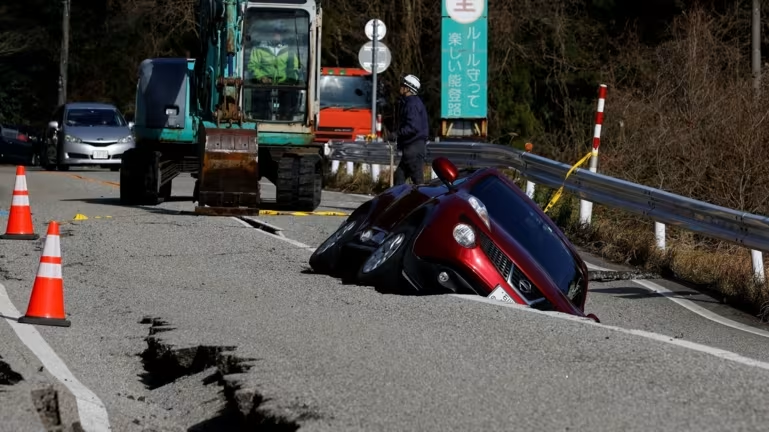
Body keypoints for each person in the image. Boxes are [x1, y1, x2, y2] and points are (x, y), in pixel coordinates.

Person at [247, 22, 301, 119]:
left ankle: (285, 118)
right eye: (274, 32)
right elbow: (252, 66)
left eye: (279, 32)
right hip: (264, 82)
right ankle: (261, 118)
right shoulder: (259, 49)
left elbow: (294, 67)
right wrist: (261, 77)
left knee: (289, 95)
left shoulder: (289, 50)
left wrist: (291, 79)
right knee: (260, 95)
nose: (277, 35)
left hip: (283, 82)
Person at [393, 74, 429, 185]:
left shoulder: (411, 104)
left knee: (418, 181)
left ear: (408, 88)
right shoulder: (411, 102)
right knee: (399, 177)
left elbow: (413, 127)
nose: (400, 86)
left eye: (402, 85)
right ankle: (399, 200)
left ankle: (423, 201)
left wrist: (397, 134)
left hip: (414, 148)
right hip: (411, 148)